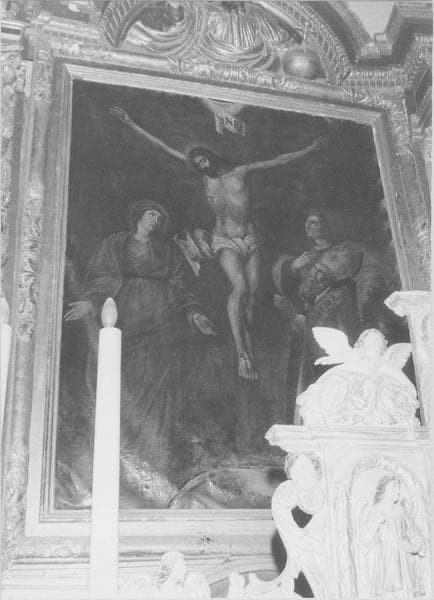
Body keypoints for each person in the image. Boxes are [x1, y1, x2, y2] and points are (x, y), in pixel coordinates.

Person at [109, 105, 327, 380]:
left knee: (251, 298)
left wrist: (310, 148)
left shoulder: (240, 172)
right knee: (239, 289)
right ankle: (242, 353)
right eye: (198, 163)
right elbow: (164, 147)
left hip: (250, 239)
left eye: (204, 160)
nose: (202, 165)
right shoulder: (205, 181)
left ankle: (251, 349)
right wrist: (130, 121)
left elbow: (278, 160)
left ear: (212, 157)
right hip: (225, 241)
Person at [64, 200, 215, 505]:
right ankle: (121, 466)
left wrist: (194, 313)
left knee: (160, 398)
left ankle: (154, 464)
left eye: (160, 215)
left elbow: (181, 288)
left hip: (164, 333)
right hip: (127, 328)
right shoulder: (117, 243)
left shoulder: (169, 252)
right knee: (126, 391)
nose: (155, 219)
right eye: (151, 213)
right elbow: (103, 276)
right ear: (138, 216)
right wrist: (93, 303)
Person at [358, 475, 427, 599]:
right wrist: (376, 523)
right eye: (394, 487)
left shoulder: (401, 511)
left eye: (399, 487)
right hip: (386, 561)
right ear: (384, 489)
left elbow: (415, 532)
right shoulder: (376, 511)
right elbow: (364, 540)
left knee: (405, 594)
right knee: (389, 593)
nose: (398, 491)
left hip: (404, 562)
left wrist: (414, 547)